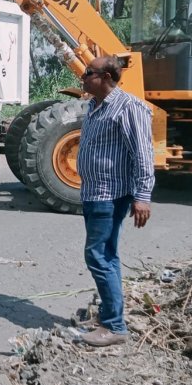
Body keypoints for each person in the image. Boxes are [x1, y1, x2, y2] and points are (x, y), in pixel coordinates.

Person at [76, 56, 155, 347]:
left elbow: (143, 155)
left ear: (106, 76)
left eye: (88, 73)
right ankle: (112, 318)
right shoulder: (95, 106)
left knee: (97, 256)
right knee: (107, 255)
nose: (83, 77)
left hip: (109, 195)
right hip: (94, 193)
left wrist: (142, 197)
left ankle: (114, 326)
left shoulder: (129, 108)